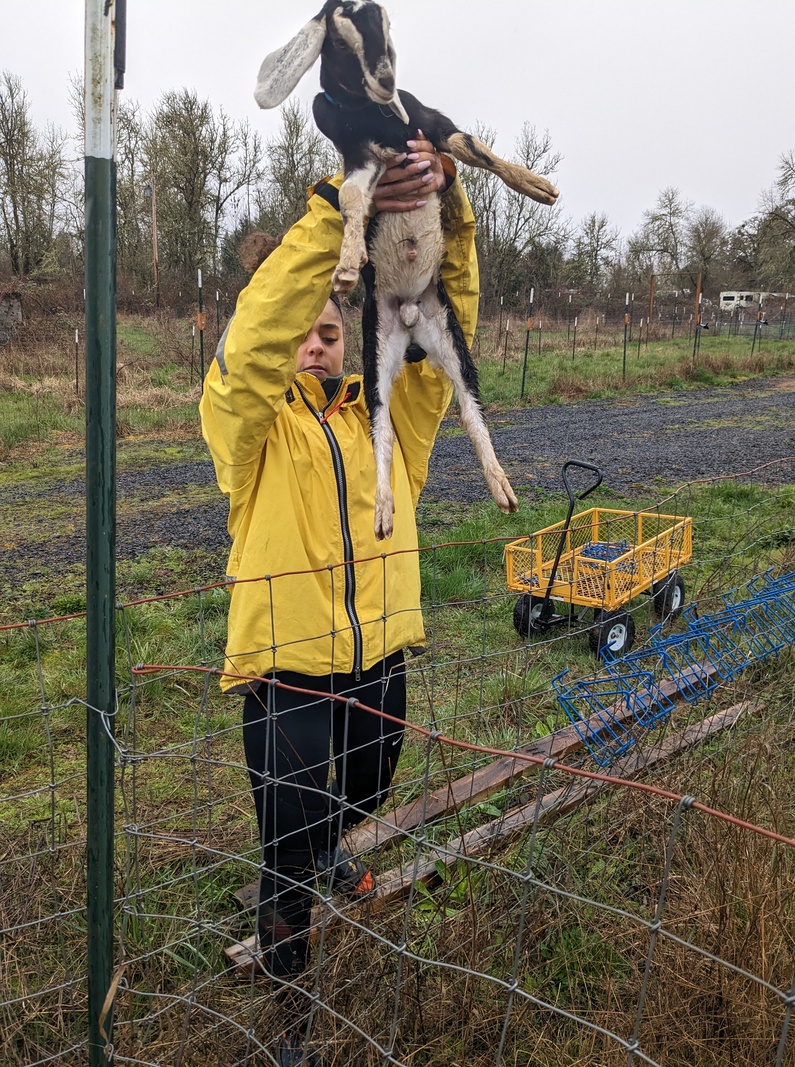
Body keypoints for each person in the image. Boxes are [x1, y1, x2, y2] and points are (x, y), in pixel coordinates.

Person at [200, 137, 479, 1062]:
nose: (316, 344)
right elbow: (253, 335)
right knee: (284, 856)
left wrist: (448, 208)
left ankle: (328, 844)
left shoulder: (389, 420)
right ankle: (292, 1028)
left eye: (331, 331)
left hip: (380, 662)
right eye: (304, 334)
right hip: (287, 678)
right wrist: (337, 212)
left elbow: (445, 327)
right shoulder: (248, 429)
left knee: (363, 793)